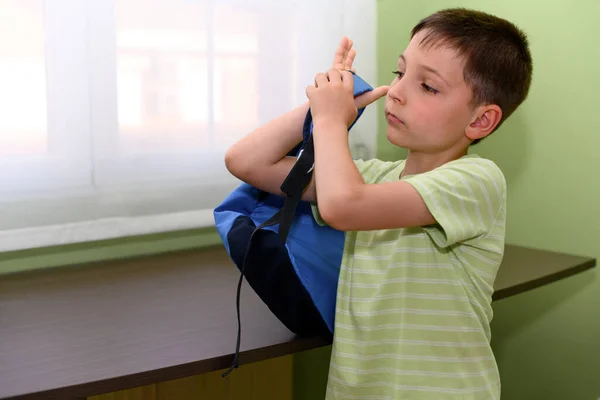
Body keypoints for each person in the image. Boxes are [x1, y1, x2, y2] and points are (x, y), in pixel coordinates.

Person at [225, 7, 533, 400]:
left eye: (428, 86)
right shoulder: (370, 178)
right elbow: (247, 161)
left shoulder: (476, 181)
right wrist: (322, 105)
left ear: (480, 121)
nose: (397, 91)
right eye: (399, 72)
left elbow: (343, 207)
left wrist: (331, 121)